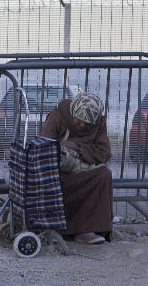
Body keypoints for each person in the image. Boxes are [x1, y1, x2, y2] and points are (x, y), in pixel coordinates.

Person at [40, 92, 113, 244]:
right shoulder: (57, 117)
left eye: (87, 123)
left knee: (104, 174)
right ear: (73, 112)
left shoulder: (98, 123)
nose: (82, 126)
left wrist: (78, 147)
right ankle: (59, 227)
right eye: (78, 121)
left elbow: (104, 153)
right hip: (60, 173)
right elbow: (44, 149)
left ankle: (86, 231)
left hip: (84, 169)